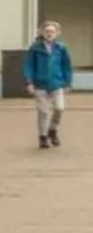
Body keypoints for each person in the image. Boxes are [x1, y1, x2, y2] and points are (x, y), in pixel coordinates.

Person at [23, 20, 72, 150]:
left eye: (52, 31)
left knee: (59, 108)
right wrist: (29, 82)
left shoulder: (61, 48)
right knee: (43, 112)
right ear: (42, 33)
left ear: (57, 33)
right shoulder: (35, 48)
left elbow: (66, 66)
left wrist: (67, 82)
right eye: (47, 31)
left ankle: (53, 129)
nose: (49, 33)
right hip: (40, 85)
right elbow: (28, 66)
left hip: (57, 84)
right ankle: (43, 137)